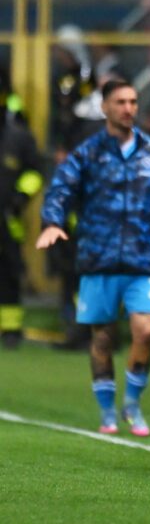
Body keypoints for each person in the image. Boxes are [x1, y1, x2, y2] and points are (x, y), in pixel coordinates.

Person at [37, 79, 150, 435]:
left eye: (133, 101)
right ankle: (107, 410)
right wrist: (51, 221)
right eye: (120, 102)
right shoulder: (87, 153)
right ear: (105, 107)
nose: (128, 108)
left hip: (142, 263)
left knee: (146, 330)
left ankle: (133, 404)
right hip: (99, 261)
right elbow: (60, 188)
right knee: (103, 339)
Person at [0, 104, 43, 348]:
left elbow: (34, 172)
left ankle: (11, 329)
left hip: (8, 218)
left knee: (9, 274)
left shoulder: (19, 138)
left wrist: (20, 197)